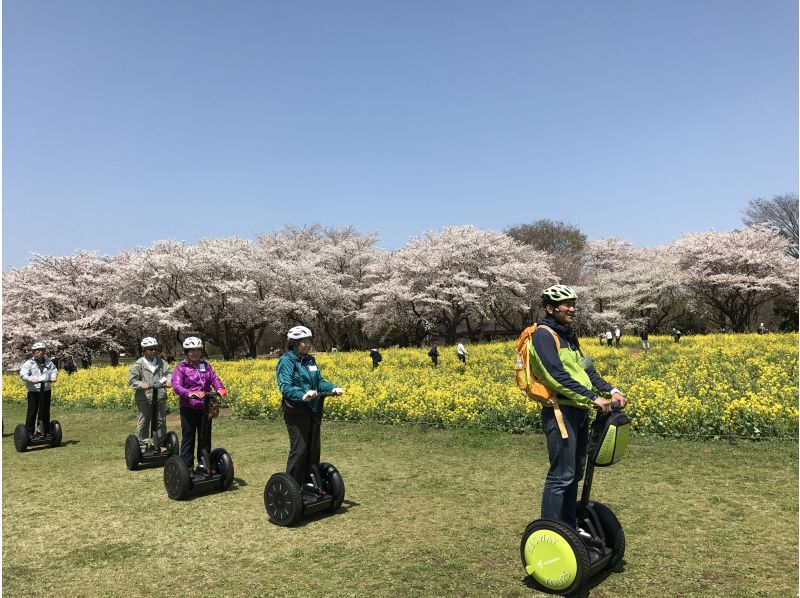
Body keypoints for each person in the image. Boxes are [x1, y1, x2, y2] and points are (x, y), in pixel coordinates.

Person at [529, 285, 628, 539]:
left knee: (575, 472)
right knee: (561, 475)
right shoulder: (543, 335)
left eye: (573, 303)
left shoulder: (569, 336)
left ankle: (569, 526)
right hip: (561, 413)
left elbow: (587, 370)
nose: (572, 308)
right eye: (566, 304)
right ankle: (551, 533)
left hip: (580, 411)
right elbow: (555, 376)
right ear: (551, 309)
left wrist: (610, 390)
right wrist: (592, 397)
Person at [276, 326, 343, 486]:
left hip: (313, 409)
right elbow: (285, 386)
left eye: (309, 341)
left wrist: (332, 387)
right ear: (294, 343)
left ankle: (309, 482)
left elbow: (319, 381)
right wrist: (302, 395)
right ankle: (291, 485)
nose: (308, 344)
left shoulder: (310, 360)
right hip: (296, 411)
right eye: (304, 341)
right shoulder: (287, 361)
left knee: (314, 449)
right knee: (300, 449)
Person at [171, 337, 227, 471]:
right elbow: (176, 385)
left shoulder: (205, 365)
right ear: (186, 352)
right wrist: (189, 393)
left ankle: (204, 463)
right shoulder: (181, 368)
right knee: (189, 437)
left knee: (205, 437)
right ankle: (187, 467)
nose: (195, 353)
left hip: (205, 407)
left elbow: (214, 378)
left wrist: (220, 388)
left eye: (198, 350)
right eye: (192, 350)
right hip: (189, 407)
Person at [128, 337, 172, 451]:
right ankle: (142, 446)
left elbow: (168, 373)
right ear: (144, 350)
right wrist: (141, 384)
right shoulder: (138, 365)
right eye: (150, 349)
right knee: (143, 422)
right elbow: (132, 381)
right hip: (144, 399)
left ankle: (160, 444)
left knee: (161, 421)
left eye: (155, 349)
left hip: (160, 396)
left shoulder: (161, 362)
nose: (153, 351)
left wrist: (169, 380)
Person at [19, 342, 59, 438]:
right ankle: (29, 433)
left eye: (42, 350)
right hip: (34, 391)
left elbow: (54, 371)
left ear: (45, 351)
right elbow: (23, 374)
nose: (40, 352)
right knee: (32, 411)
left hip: (46, 390)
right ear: (33, 352)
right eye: (38, 351)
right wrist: (30, 379)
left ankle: (44, 431)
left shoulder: (48, 362)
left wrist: (53, 377)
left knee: (45, 411)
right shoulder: (29, 363)